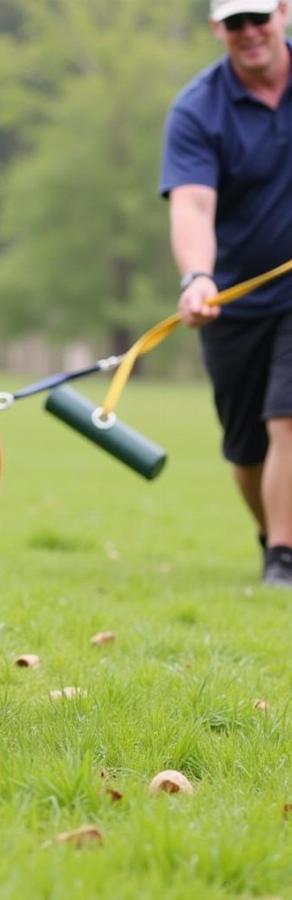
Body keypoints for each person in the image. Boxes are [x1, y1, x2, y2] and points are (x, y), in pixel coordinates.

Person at [160, 0, 292, 587]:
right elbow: (193, 204)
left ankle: (283, 560)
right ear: (218, 29)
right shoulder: (197, 109)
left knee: (286, 418)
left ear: (284, 12)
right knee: (245, 448)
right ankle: (275, 538)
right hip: (233, 298)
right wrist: (198, 278)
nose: (250, 33)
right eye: (235, 23)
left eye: (259, 17)